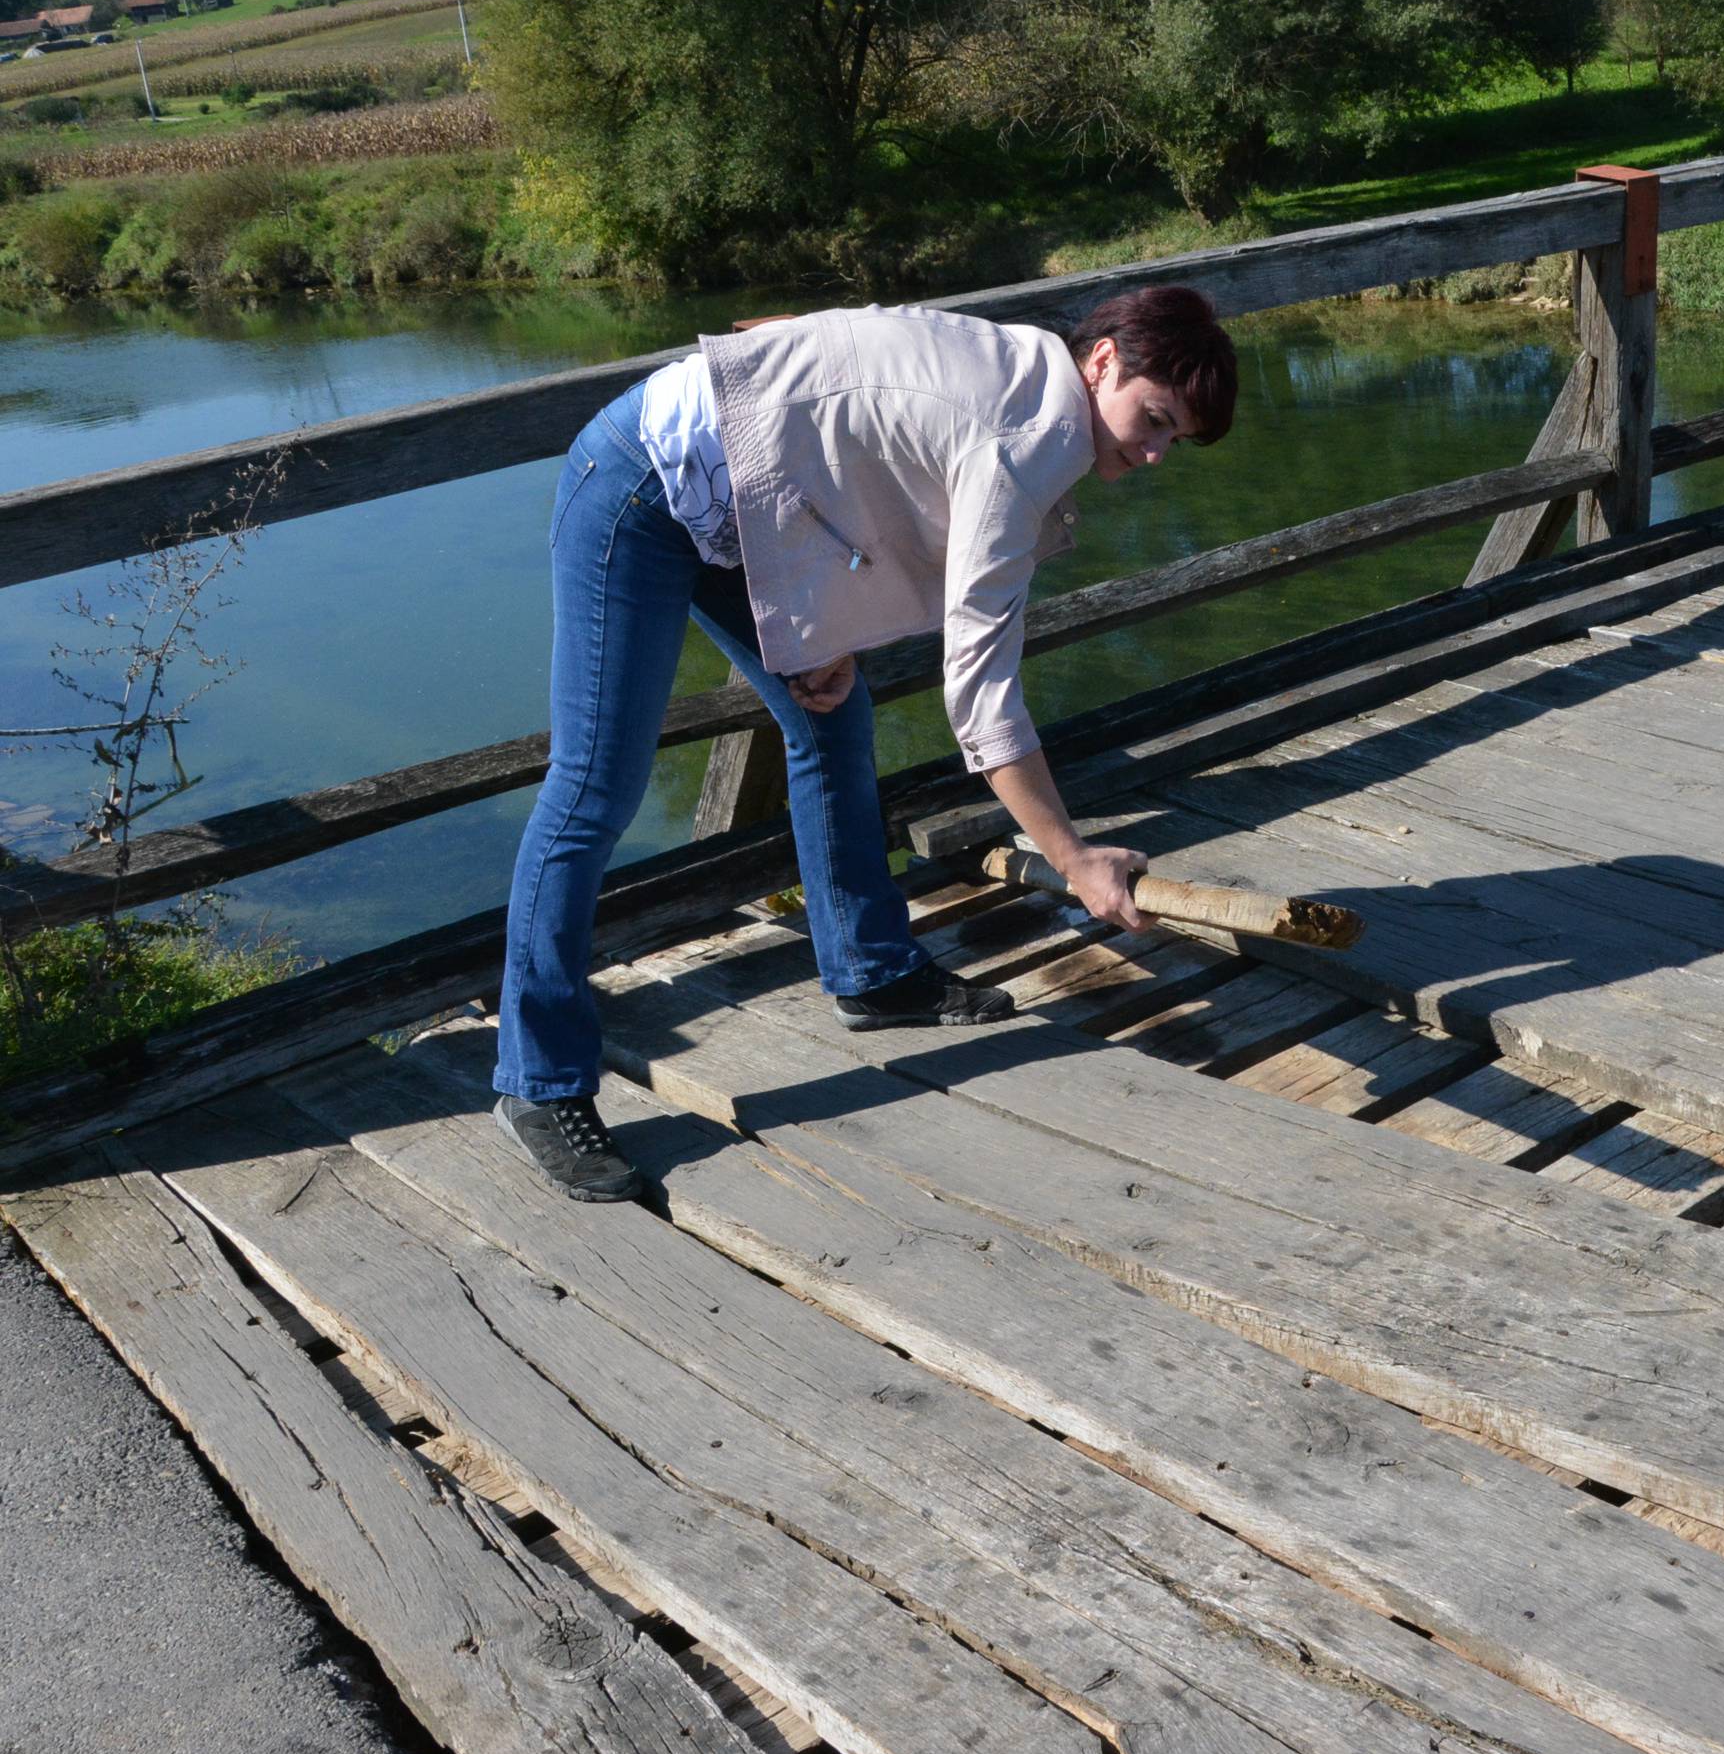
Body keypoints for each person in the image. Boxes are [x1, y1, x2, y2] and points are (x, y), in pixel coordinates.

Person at [493, 284, 1238, 1199]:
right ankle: (538, 1082)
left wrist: (818, 622)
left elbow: (847, 402)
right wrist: (1073, 858)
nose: (1157, 452)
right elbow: (981, 690)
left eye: (1177, 441)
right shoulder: (1024, 440)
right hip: (642, 486)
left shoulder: (1031, 370)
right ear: (1104, 362)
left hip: (746, 497)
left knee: (829, 710)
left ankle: (871, 972)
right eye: (1155, 419)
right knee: (594, 787)